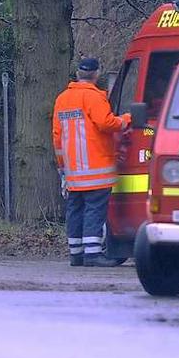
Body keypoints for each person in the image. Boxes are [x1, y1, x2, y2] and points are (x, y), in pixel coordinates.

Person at [52, 58, 132, 267]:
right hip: (96, 169)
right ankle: (93, 254)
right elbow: (106, 123)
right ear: (97, 74)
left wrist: (63, 167)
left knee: (75, 211)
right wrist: (125, 119)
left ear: (78, 74)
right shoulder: (94, 97)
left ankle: (76, 254)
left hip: (72, 171)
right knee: (94, 211)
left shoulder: (62, 98)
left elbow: (57, 136)